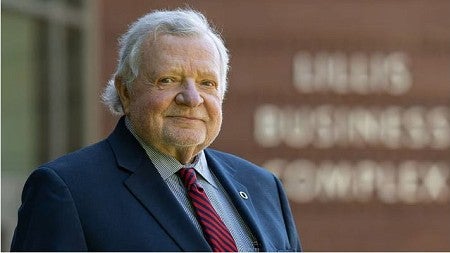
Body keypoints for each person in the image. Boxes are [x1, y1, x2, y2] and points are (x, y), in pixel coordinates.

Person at [11, 8, 302, 252]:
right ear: (125, 92)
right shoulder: (68, 191)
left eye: (207, 84)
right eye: (168, 80)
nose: (191, 98)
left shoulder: (264, 187)